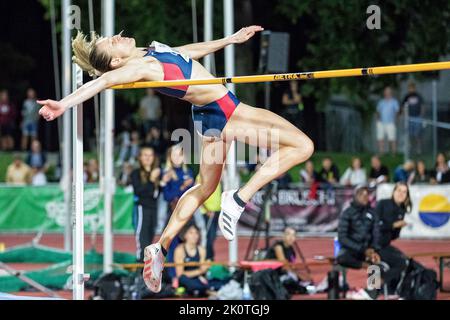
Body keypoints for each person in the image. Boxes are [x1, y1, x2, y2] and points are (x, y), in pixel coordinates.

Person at [38, 26, 315, 292]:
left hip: (208, 116)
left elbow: (186, 52)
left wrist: (228, 40)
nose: (118, 36)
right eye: (112, 42)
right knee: (303, 146)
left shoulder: (151, 51)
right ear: (116, 61)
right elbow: (103, 82)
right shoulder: (139, 67)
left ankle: (161, 246)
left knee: (205, 187)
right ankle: (240, 198)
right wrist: (64, 104)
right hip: (227, 112)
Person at [336, 185, 382, 300]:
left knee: (376, 260)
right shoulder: (347, 213)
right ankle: (365, 266)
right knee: (341, 258)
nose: (365, 197)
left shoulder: (373, 213)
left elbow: (376, 234)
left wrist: (373, 250)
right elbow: (342, 238)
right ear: (355, 196)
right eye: (362, 194)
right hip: (352, 250)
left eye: (367, 194)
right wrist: (362, 249)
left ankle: (371, 293)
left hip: (368, 250)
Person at [161, 144, 194, 278]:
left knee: (190, 243)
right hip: (173, 214)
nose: (177, 158)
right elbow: (167, 196)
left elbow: (190, 194)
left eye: (180, 155)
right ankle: (173, 277)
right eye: (174, 155)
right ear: (169, 157)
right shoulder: (166, 173)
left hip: (188, 214)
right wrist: (181, 186)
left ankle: (187, 276)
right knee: (172, 246)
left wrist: (182, 187)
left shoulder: (188, 172)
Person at [375, 182, 411, 297]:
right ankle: (374, 288)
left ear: (407, 196)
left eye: (404, 192)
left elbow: (393, 236)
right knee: (400, 262)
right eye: (399, 190)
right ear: (393, 192)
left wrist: (398, 229)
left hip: (384, 244)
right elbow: (375, 226)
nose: (401, 194)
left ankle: (386, 290)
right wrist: (393, 225)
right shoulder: (382, 203)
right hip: (373, 244)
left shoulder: (401, 210)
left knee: (405, 260)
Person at [174, 224, 223, 296]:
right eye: (191, 233)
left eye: (196, 233)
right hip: (187, 280)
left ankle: (205, 289)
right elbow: (180, 274)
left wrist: (207, 266)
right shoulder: (180, 250)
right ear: (185, 235)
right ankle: (207, 290)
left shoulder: (201, 250)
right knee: (184, 280)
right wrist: (200, 271)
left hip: (199, 279)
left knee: (221, 280)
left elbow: (203, 270)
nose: (194, 235)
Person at [130, 147, 161, 262]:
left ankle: (147, 268)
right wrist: (151, 180)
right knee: (142, 240)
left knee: (150, 239)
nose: (148, 158)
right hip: (142, 209)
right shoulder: (136, 173)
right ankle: (139, 267)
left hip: (154, 210)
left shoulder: (158, 172)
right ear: (140, 157)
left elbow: (159, 193)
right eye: (145, 155)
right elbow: (139, 191)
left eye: (150, 155)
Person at [196, 174, 221, 260]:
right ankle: (208, 257)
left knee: (213, 236)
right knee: (208, 236)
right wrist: (206, 209)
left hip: (216, 211)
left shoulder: (217, 174)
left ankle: (208, 257)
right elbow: (199, 194)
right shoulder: (201, 176)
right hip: (207, 212)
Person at [402, 82, 425, 155]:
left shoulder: (418, 96)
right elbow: (403, 106)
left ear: (414, 88)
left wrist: (421, 115)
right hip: (409, 118)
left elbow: (422, 106)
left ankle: (419, 149)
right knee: (410, 134)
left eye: (412, 88)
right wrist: (405, 116)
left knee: (417, 134)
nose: (411, 89)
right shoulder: (406, 96)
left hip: (417, 117)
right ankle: (411, 148)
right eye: (410, 88)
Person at [376, 86, 399, 154]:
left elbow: (397, 112)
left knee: (392, 138)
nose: (387, 93)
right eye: (386, 92)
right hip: (381, 122)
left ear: (391, 93)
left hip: (390, 122)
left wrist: (396, 120)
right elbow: (378, 111)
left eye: (388, 91)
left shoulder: (394, 102)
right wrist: (377, 120)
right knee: (380, 138)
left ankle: (393, 153)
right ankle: (381, 152)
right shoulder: (381, 102)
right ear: (384, 93)